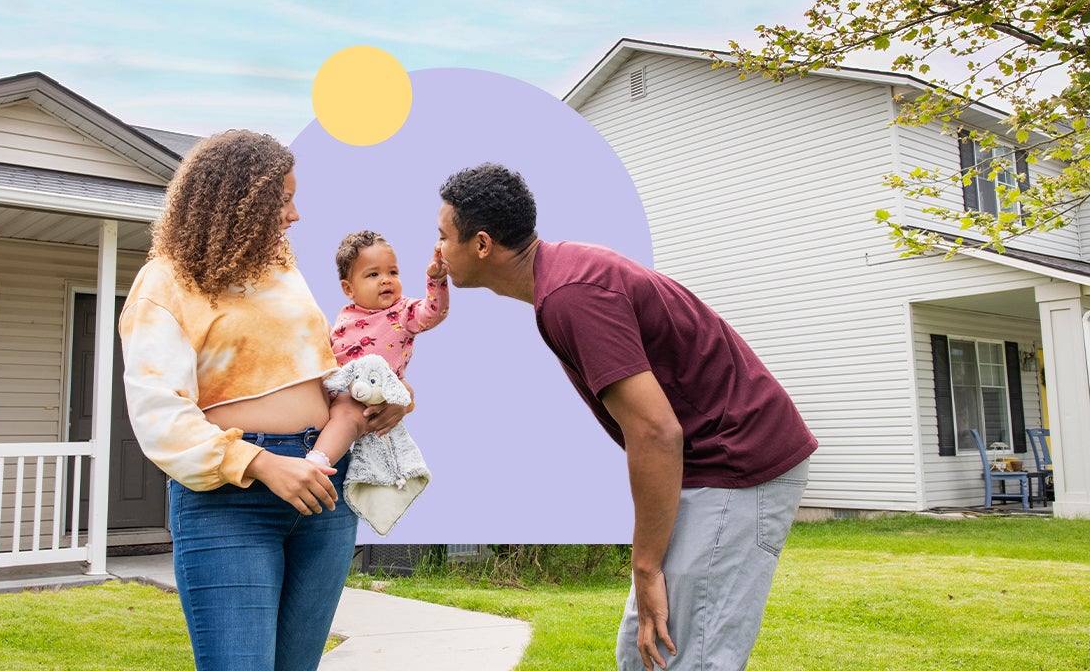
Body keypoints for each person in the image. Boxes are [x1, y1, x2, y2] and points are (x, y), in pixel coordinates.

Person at [434, 163, 818, 671]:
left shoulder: (573, 294)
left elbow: (656, 432)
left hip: (737, 464)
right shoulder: (562, 277)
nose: (437, 250)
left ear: (481, 244)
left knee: (689, 657)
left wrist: (646, 565)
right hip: (704, 463)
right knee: (644, 654)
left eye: (442, 236)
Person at [118, 130, 405, 671]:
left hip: (323, 491)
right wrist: (263, 463)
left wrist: (375, 401)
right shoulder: (167, 282)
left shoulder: (283, 275)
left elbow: (318, 371)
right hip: (232, 500)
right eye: (282, 200)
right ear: (236, 202)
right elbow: (159, 412)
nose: (295, 214)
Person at [304, 230, 449, 468]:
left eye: (393, 272)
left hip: (365, 393)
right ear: (349, 289)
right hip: (335, 386)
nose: (386, 279)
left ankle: (317, 462)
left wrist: (436, 281)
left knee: (347, 418)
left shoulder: (404, 311)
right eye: (373, 274)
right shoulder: (346, 314)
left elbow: (434, 312)